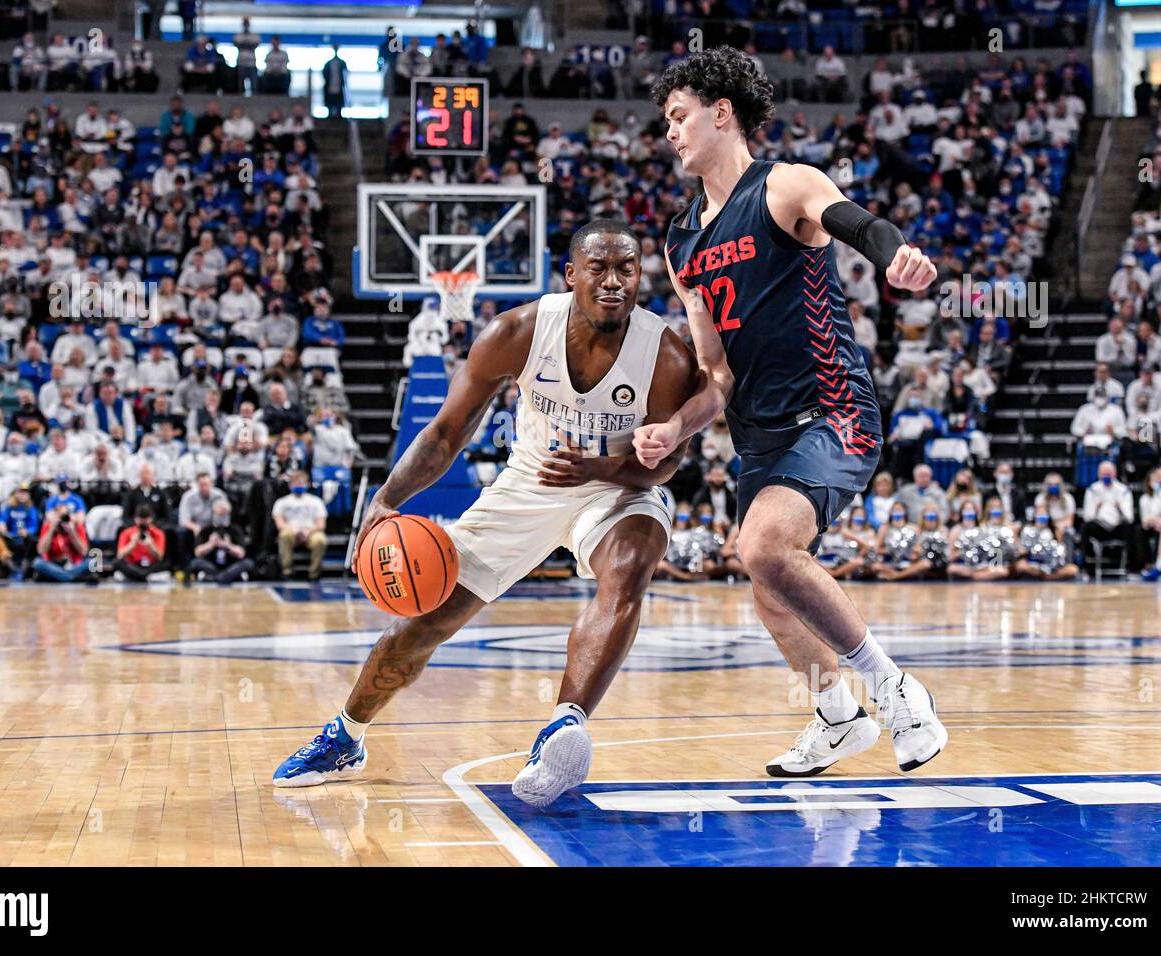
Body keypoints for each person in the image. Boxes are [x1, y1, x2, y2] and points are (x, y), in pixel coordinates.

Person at [272, 220, 698, 808]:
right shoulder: (518, 332)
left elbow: (665, 465)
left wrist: (602, 469)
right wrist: (388, 498)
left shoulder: (667, 354)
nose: (613, 281)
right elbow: (448, 432)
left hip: (615, 487)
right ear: (571, 275)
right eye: (598, 268)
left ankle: (563, 729)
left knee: (631, 566)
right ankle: (347, 734)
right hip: (529, 481)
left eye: (626, 269)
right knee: (424, 623)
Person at [643, 47, 945, 779]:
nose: (671, 134)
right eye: (665, 123)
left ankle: (896, 692)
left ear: (722, 112)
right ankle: (837, 718)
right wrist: (675, 429)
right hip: (759, 430)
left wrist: (896, 256)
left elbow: (862, 225)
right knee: (769, 587)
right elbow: (717, 373)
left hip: (833, 408)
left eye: (679, 117)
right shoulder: (682, 242)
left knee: (765, 546)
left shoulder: (785, 185)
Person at [271, 471, 328, 580]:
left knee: (320, 540)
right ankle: (287, 571)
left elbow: (321, 524)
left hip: (311, 532)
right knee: (284, 535)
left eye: (301, 483)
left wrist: (308, 532)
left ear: (307, 484)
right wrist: (295, 531)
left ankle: (314, 574)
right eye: (296, 483)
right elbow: (279, 523)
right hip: (291, 531)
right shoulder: (281, 502)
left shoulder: (316, 501)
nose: (299, 485)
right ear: (290, 485)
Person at [188, 498, 253, 584]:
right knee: (195, 562)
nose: (221, 517)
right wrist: (210, 544)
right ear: (213, 514)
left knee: (248, 563)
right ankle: (223, 577)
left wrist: (227, 545)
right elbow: (197, 552)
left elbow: (241, 554)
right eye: (219, 514)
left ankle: (217, 577)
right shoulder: (206, 530)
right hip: (212, 565)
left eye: (224, 514)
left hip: (230, 565)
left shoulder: (235, 529)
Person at [34, 503, 92, 582]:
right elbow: (41, 550)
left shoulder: (77, 526)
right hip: (53, 565)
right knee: (37, 563)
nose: (62, 521)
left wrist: (72, 532)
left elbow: (83, 552)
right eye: (59, 517)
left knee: (92, 561)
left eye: (64, 517)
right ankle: (68, 577)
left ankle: (63, 577)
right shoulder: (48, 526)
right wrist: (51, 529)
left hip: (73, 565)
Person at [114, 504, 170, 582]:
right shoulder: (127, 533)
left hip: (150, 565)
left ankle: (138, 577)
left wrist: (151, 546)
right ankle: (145, 577)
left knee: (167, 563)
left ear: (150, 519)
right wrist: (132, 544)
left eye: (145, 519)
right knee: (117, 563)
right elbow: (120, 556)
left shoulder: (158, 533)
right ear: (135, 519)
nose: (143, 522)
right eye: (141, 519)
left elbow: (160, 557)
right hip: (134, 565)